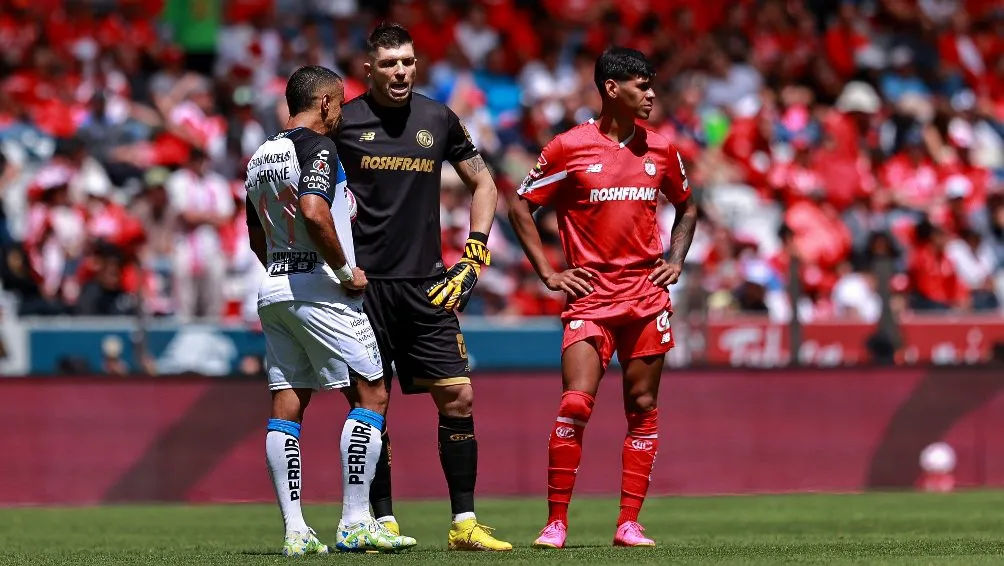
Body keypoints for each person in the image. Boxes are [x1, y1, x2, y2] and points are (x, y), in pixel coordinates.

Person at [508, 47, 699, 549]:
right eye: (641, 84)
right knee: (575, 402)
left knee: (642, 405)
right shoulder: (567, 148)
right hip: (590, 298)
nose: (651, 93)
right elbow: (520, 208)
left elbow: (688, 207)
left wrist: (675, 260)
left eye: (652, 84)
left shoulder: (662, 150)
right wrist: (549, 272)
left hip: (646, 298)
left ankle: (629, 523)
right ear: (612, 89)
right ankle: (556, 522)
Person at [333, 23, 511, 551]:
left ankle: (464, 524)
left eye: (408, 62)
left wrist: (474, 253)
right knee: (371, 405)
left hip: (428, 286)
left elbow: (485, 181)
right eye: (390, 64)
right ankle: (380, 520)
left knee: (458, 396)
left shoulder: (438, 117)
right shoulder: (343, 122)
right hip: (363, 290)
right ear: (369, 69)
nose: (401, 72)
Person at [244, 65, 416, 555]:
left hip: (274, 286)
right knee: (373, 393)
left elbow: (256, 233)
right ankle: (356, 520)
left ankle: (296, 532)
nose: (341, 112)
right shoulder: (318, 146)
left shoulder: (259, 156)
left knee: (288, 401)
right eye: (339, 103)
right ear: (324, 103)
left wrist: (285, 268)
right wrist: (343, 272)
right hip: (320, 288)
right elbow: (317, 212)